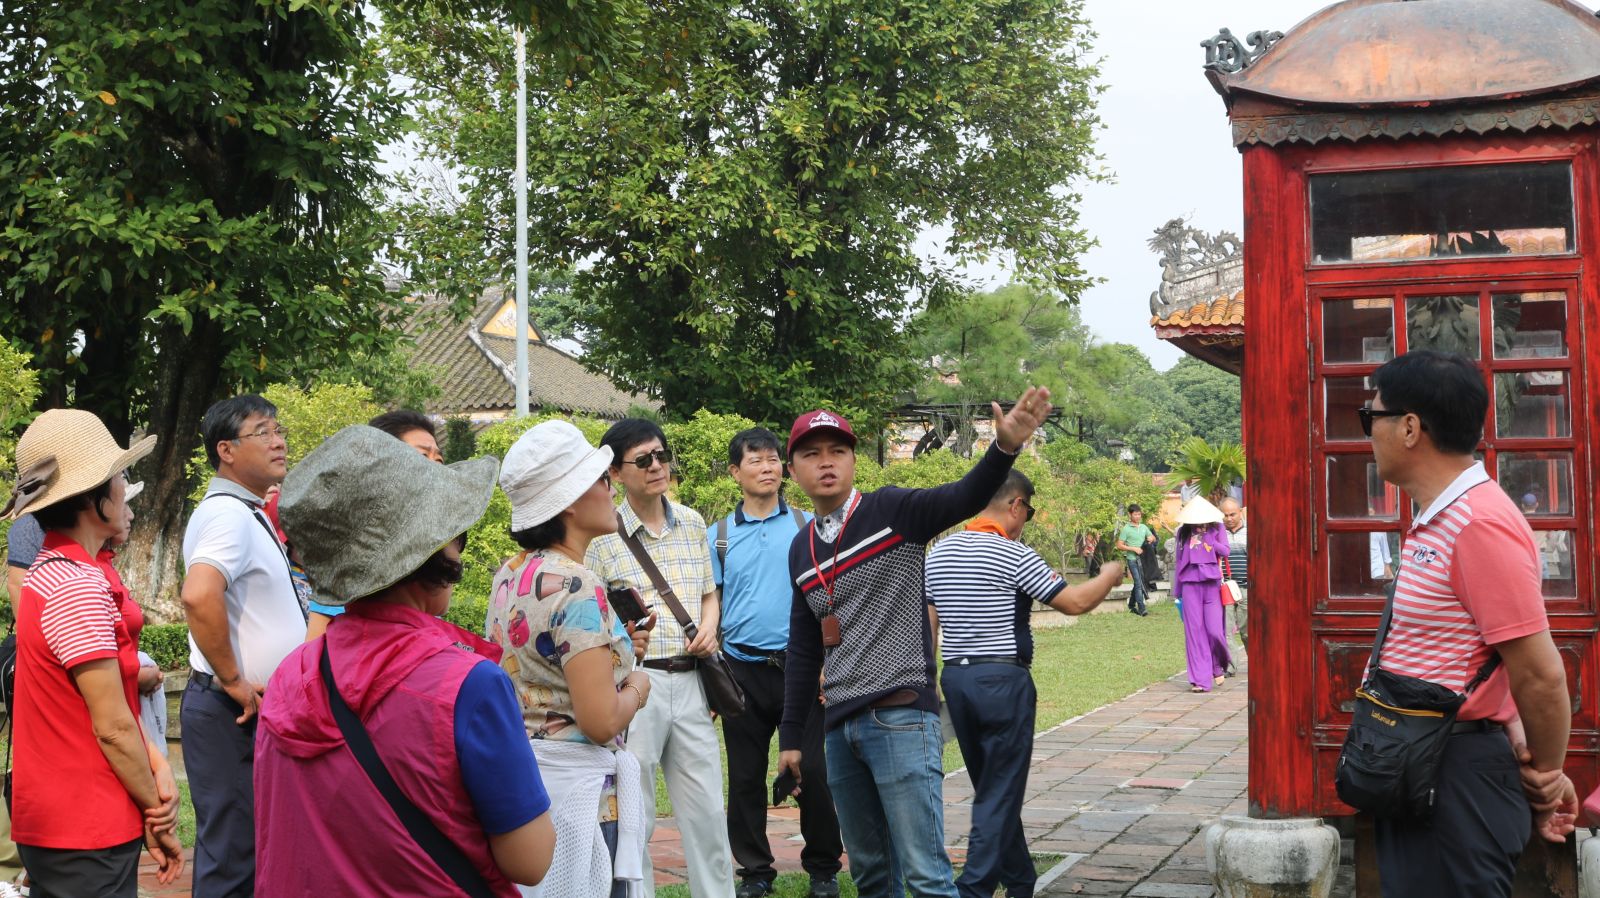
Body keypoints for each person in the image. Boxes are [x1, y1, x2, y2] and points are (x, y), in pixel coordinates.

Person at [256, 425, 555, 895]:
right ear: (430, 550)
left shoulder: (292, 674)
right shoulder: (469, 685)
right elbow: (530, 859)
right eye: (455, 533)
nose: (459, 543)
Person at [777, 388, 1052, 898]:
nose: (826, 463)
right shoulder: (801, 548)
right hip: (838, 728)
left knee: (926, 875)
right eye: (811, 454)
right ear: (792, 470)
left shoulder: (893, 511)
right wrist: (792, 737)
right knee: (870, 875)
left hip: (900, 717)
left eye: (837, 451)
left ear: (854, 459)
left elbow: (964, 496)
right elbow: (803, 647)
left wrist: (1004, 448)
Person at [1359, 351, 1575, 895]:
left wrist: (1547, 775)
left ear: (1410, 428)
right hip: (1422, 760)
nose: (1369, 434)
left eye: (1371, 417)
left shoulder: (1477, 524)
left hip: (1455, 776)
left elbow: (1540, 674)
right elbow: (1481, 655)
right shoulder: (1440, 517)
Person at [2, 409, 183, 896]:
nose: (125, 487)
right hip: (83, 822)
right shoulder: (76, 585)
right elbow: (112, 726)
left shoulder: (59, 570)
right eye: (118, 476)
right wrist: (156, 810)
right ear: (91, 497)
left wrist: (156, 768)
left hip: (75, 818)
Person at [925, 470, 1123, 898]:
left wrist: (930, 682)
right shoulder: (1013, 554)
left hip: (956, 680)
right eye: (1028, 513)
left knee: (994, 787)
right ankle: (972, 890)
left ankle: (1020, 881)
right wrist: (1109, 574)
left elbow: (929, 625)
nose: (1025, 521)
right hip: (1002, 681)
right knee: (998, 793)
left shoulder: (939, 553)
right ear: (1016, 505)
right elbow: (1074, 603)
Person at [490, 420, 657, 897]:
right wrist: (637, 686)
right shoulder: (578, 583)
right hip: (584, 803)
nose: (611, 488)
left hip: (528, 792)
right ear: (569, 500)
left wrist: (613, 654)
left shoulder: (510, 574)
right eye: (602, 479)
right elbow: (600, 722)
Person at [585, 419, 735, 898]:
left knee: (707, 811)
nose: (657, 466)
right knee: (637, 816)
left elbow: (708, 593)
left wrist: (709, 625)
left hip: (691, 682)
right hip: (636, 685)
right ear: (616, 473)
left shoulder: (692, 523)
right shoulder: (601, 536)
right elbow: (591, 614)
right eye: (643, 460)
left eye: (661, 455)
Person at [180, 394, 306, 898]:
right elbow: (198, 594)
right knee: (233, 861)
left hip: (243, 708)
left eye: (279, 430)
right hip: (231, 709)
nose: (278, 442)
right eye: (262, 432)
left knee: (247, 855)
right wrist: (233, 679)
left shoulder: (246, 512)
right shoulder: (228, 515)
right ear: (226, 450)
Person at [708, 428, 840, 898]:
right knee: (745, 777)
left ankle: (823, 869)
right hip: (741, 671)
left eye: (772, 460)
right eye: (755, 460)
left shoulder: (807, 525)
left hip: (801, 671)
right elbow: (710, 606)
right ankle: (756, 872)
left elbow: (829, 596)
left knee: (814, 772)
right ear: (735, 471)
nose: (767, 469)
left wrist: (827, 661)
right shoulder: (718, 537)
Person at [305, 409, 444, 640]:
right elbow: (315, 649)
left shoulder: (431, 542)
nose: (436, 468)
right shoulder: (354, 551)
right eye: (422, 456)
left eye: (439, 459)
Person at [1173, 497, 1231, 693]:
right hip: (1189, 585)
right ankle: (1201, 680)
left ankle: (1217, 665)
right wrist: (1177, 591)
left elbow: (1225, 551)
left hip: (1211, 585)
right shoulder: (1183, 532)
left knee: (1215, 631)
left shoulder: (1217, 528)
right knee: (1195, 633)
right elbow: (1179, 560)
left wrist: (1210, 541)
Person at [1218, 497, 1248, 650]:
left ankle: (1254, 662)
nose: (1229, 518)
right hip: (1225, 589)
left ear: (1240, 512)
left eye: (1232, 514)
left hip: (1246, 589)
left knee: (1248, 633)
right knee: (1226, 633)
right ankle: (1231, 663)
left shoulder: (1251, 532)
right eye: (1225, 515)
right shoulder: (1217, 534)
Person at [1115, 505, 1154, 616]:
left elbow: (1152, 537)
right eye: (1135, 514)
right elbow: (1119, 545)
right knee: (1138, 583)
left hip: (1143, 560)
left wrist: (1151, 538)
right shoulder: (1126, 529)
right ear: (1130, 514)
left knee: (1139, 583)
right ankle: (1142, 608)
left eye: (1139, 514)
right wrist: (1133, 548)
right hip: (1132, 560)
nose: (1138, 516)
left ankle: (1131, 605)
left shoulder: (1143, 527)